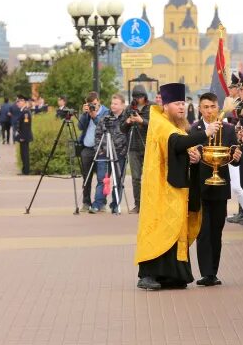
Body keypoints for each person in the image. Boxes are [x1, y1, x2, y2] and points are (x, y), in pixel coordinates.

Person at [134, 83, 219, 290]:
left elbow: (180, 149)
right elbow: (177, 143)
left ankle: (173, 275)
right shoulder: (160, 123)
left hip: (174, 189)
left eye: (183, 103)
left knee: (173, 229)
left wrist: (194, 156)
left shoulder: (176, 124)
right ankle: (147, 275)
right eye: (176, 103)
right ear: (165, 105)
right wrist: (205, 133)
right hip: (160, 190)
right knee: (158, 228)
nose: (181, 107)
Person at [191, 93, 242, 286]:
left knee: (216, 231)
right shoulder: (194, 130)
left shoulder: (228, 130)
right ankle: (206, 273)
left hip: (220, 188)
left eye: (213, 106)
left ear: (218, 107)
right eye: (206, 107)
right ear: (199, 109)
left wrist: (237, 157)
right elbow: (189, 157)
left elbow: (235, 159)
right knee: (203, 231)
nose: (210, 110)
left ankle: (214, 270)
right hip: (201, 186)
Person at [90, 94, 129, 214]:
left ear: (122, 105)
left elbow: (129, 137)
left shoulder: (127, 119)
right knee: (102, 179)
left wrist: (123, 152)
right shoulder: (105, 117)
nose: (113, 106)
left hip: (120, 155)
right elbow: (98, 135)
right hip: (104, 153)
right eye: (112, 103)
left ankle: (115, 204)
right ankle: (98, 204)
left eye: (116, 103)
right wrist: (99, 150)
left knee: (118, 180)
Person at [121, 85, 150, 214]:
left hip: (148, 145)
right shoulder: (129, 109)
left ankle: (150, 204)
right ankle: (138, 205)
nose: (138, 99)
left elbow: (156, 126)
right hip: (133, 147)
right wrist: (127, 121)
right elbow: (122, 129)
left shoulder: (152, 107)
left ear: (145, 96)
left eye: (140, 97)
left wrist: (141, 120)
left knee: (150, 178)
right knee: (136, 178)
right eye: (136, 97)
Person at [78, 92, 108, 210]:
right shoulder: (87, 113)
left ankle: (101, 203)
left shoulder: (106, 112)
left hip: (101, 149)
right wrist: (85, 114)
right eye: (90, 104)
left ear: (99, 101)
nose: (93, 106)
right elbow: (80, 126)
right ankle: (86, 203)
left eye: (94, 104)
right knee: (86, 177)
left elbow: (104, 126)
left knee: (102, 178)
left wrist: (94, 115)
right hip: (87, 148)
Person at [13, 95, 33, 175]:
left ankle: (26, 171)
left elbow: (25, 126)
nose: (17, 103)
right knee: (23, 154)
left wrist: (22, 137)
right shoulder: (23, 111)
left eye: (19, 101)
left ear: (23, 102)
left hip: (24, 137)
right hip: (23, 136)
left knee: (25, 154)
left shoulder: (25, 112)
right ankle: (24, 170)